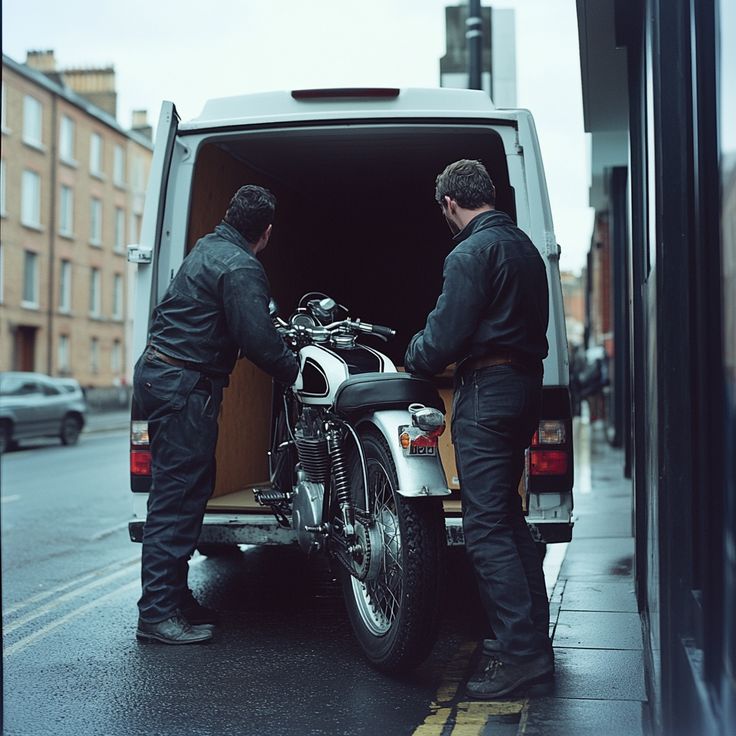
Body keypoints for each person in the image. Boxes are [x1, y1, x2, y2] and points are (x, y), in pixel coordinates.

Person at [404, 159, 552, 698]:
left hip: (487, 392)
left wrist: (412, 356)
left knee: (485, 528)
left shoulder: (469, 252)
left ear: (449, 203)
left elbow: (443, 338)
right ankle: (531, 639)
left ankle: (522, 657)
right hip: (524, 388)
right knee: (509, 519)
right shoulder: (525, 248)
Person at [133, 185, 299, 645]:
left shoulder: (208, 247)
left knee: (185, 493)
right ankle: (156, 615)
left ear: (228, 215)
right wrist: (296, 371)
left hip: (158, 377)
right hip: (182, 386)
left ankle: (173, 599)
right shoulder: (242, 265)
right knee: (177, 498)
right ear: (265, 233)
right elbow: (260, 341)